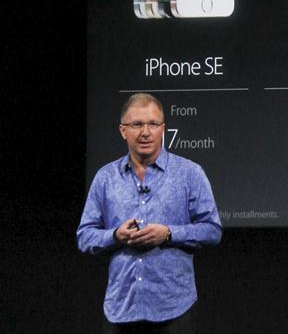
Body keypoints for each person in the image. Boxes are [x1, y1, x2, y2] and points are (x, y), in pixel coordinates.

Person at [77, 93, 222, 333]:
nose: (145, 132)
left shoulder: (190, 173)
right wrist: (115, 235)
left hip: (174, 309)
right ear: (123, 130)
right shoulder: (105, 178)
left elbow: (212, 230)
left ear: (163, 129)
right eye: (136, 124)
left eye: (153, 124)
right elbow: (84, 236)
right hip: (120, 309)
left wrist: (168, 234)